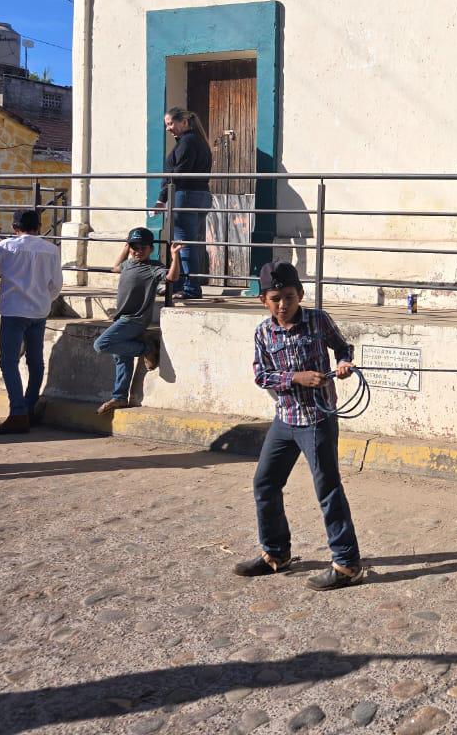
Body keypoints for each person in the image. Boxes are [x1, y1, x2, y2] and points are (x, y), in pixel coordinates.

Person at [235, 261, 363, 591]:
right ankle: (276, 554)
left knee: (328, 490)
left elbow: (342, 346)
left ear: (300, 294)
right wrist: (296, 378)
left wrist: (344, 363)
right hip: (285, 421)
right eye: (275, 298)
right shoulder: (263, 333)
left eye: (289, 297)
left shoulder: (318, 321)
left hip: (318, 421)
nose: (283, 304)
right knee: (265, 483)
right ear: (263, 300)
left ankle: (347, 564)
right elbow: (261, 376)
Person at [0, 209, 63, 435]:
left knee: (8, 362)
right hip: (39, 311)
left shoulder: (7, 246)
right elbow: (56, 286)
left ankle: (18, 412)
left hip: (14, 311)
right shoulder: (52, 249)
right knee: (35, 361)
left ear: (16, 228)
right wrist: (43, 300)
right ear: (38, 227)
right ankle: (28, 407)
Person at [93, 227, 183, 415]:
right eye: (134, 247)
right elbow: (115, 267)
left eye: (142, 247)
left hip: (135, 320)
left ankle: (146, 349)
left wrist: (175, 257)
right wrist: (126, 247)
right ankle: (119, 397)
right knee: (121, 358)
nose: (137, 251)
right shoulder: (127, 264)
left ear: (150, 249)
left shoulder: (152, 268)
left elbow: (171, 277)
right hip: (121, 318)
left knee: (101, 344)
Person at [155, 107, 212, 300]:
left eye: (171, 123)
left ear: (184, 122)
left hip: (186, 195)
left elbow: (177, 173)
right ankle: (178, 283)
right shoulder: (199, 142)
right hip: (202, 196)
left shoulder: (187, 142)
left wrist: (161, 198)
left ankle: (191, 288)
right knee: (189, 243)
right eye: (167, 125)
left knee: (183, 244)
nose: (168, 128)